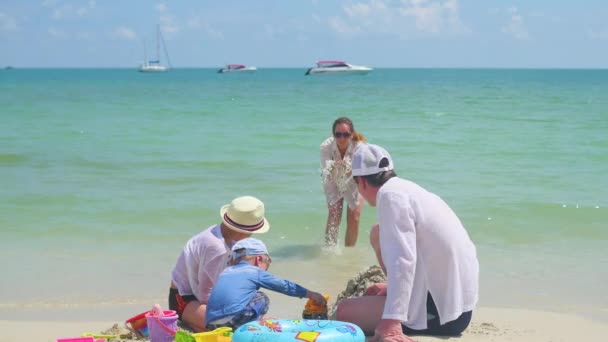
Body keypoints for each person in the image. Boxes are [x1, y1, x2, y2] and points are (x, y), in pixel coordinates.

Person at [335, 144, 479, 342]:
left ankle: (404, 315)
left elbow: (403, 259)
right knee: (378, 232)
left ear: (361, 181)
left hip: (446, 315)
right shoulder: (406, 189)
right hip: (458, 303)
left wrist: (391, 322)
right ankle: (405, 300)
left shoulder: (389, 196)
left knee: (345, 312)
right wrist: (391, 286)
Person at [169, 196, 270, 332]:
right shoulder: (216, 248)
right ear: (244, 231)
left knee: (257, 302)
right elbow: (205, 295)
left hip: (203, 297)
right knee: (238, 327)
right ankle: (195, 323)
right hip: (184, 300)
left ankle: (200, 324)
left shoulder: (223, 235)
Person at [205, 238, 327, 330]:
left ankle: (249, 323)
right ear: (258, 259)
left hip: (210, 323)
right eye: (267, 263)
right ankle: (254, 326)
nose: (266, 270)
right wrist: (310, 294)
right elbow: (283, 286)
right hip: (232, 319)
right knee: (261, 298)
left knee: (248, 297)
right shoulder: (254, 271)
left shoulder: (225, 272)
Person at [320, 116, 367, 247]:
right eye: (338, 134)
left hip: (355, 180)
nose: (341, 138)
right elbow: (327, 169)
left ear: (351, 135)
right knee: (334, 214)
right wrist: (337, 166)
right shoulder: (325, 146)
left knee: (354, 217)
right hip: (332, 178)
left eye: (345, 135)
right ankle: (330, 250)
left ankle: (349, 254)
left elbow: (361, 171)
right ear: (333, 134)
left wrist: (347, 168)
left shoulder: (360, 147)